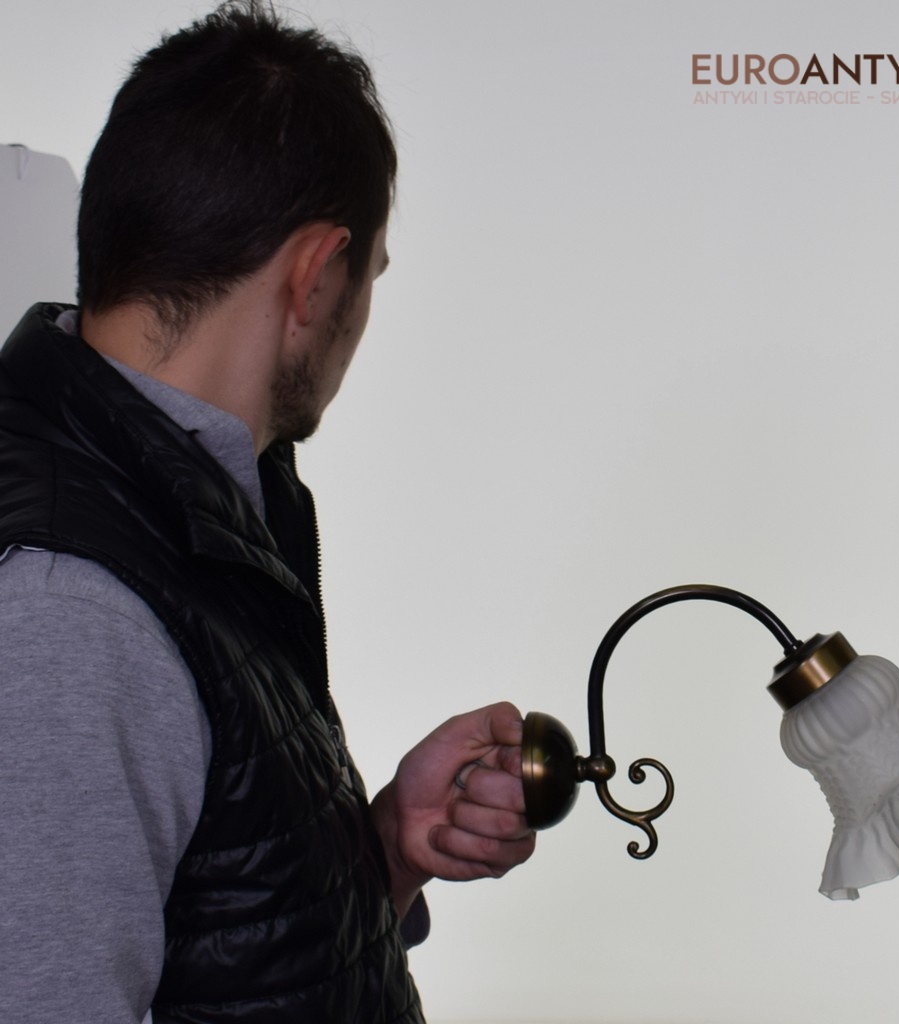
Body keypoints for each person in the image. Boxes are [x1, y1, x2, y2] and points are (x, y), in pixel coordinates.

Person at [0, 2, 535, 1022]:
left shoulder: (198, 496)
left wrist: (378, 854)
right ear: (315, 275)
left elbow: (204, 955)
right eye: (369, 279)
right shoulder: (70, 607)